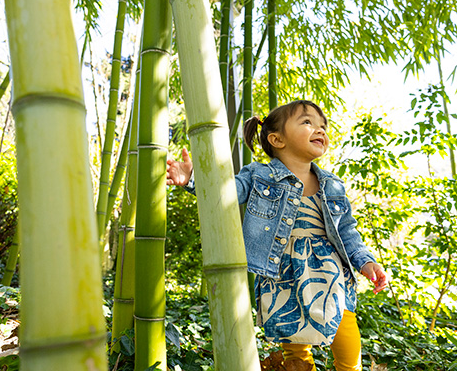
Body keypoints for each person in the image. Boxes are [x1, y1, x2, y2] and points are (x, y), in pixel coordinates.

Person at [166, 100, 388, 371]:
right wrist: (192, 179)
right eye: (307, 122)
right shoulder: (259, 175)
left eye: (322, 125)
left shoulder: (332, 184)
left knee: (347, 341)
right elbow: (225, 192)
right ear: (277, 139)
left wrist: (365, 262)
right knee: (296, 349)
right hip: (284, 274)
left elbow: (347, 231)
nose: (319, 129)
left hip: (332, 276)